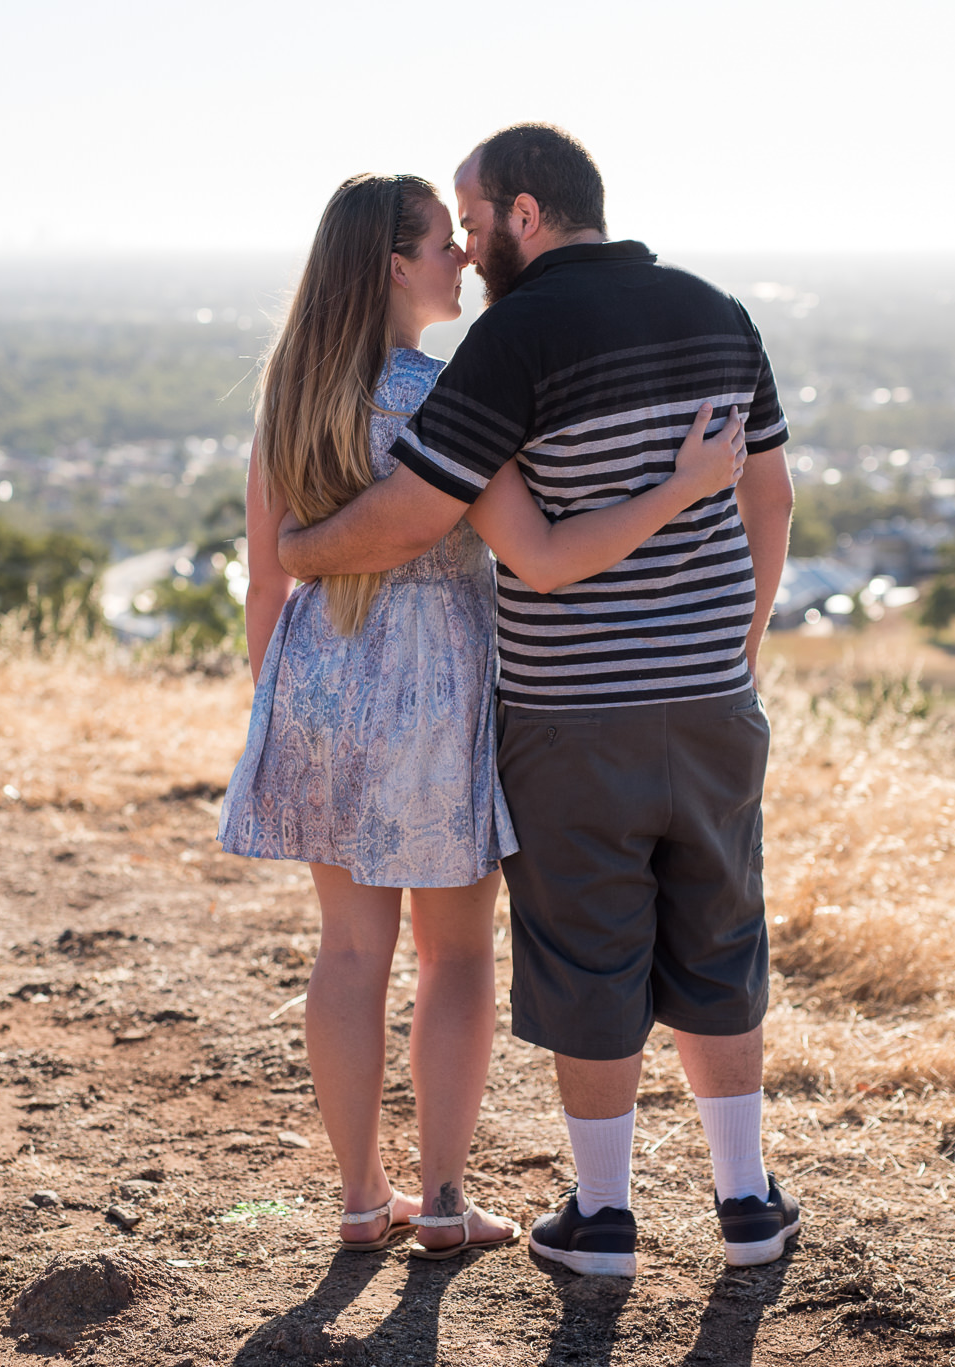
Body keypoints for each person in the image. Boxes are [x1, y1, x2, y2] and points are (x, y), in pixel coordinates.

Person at [276, 126, 799, 1278]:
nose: (464, 251)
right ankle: (726, 1198)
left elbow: (352, 540)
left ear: (521, 211)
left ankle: (502, 1208)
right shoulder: (710, 310)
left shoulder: (418, 363)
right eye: (445, 234)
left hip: (455, 696)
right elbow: (762, 497)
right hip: (620, 692)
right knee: (670, 941)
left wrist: (298, 571)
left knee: (514, 950)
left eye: (470, 223)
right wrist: (737, 639)